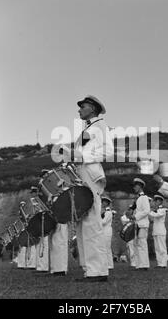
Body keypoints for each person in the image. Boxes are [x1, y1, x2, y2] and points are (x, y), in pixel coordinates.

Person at [60, 95, 114, 282]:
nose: (79, 110)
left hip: (90, 176)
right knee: (83, 224)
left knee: (91, 223)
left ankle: (98, 271)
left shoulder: (100, 126)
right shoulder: (89, 128)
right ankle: (89, 269)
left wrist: (82, 157)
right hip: (81, 175)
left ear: (92, 107)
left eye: (82, 106)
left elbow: (108, 151)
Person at [129, 178, 150, 271]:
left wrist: (135, 216)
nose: (134, 188)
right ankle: (139, 264)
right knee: (137, 244)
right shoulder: (138, 198)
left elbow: (146, 211)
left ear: (140, 187)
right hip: (138, 223)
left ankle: (144, 265)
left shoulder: (144, 198)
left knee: (142, 244)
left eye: (136, 186)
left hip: (142, 224)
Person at [149, 195, 168, 268]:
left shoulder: (163, 210)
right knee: (157, 248)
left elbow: (156, 215)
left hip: (161, 230)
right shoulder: (155, 210)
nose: (155, 203)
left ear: (160, 202)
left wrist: (148, 211)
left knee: (162, 247)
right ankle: (159, 263)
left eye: (156, 201)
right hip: (156, 231)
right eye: (155, 201)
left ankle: (163, 264)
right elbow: (152, 219)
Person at [101, 196, 114, 270]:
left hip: (107, 231)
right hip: (104, 231)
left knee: (107, 248)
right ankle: (107, 264)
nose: (102, 203)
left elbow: (104, 222)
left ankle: (109, 264)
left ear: (107, 203)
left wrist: (97, 219)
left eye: (104, 202)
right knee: (105, 248)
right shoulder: (104, 212)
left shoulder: (108, 212)